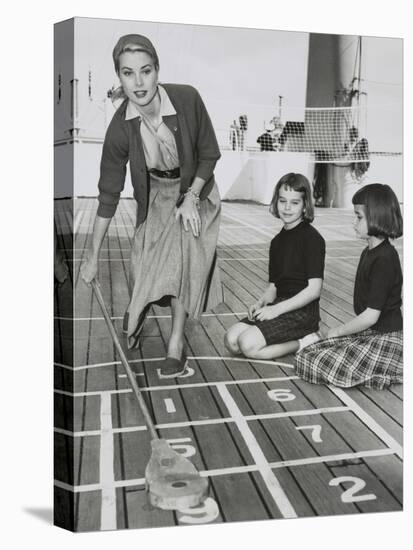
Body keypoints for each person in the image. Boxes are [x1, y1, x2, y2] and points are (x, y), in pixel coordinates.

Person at [80, 34, 222, 378]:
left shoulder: (187, 98)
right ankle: (139, 304)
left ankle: (176, 343)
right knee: (144, 263)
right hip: (156, 194)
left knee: (182, 257)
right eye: (128, 73)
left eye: (145, 71)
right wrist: (92, 255)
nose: (139, 82)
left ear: (157, 70)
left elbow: (209, 153)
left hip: (197, 192)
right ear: (120, 77)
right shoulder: (120, 128)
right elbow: (108, 194)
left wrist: (190, 198)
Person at [295, 183, 403, 389]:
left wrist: (338, 331)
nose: (354, 223)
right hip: (370, 334)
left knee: (314, 363)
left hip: (386, 338)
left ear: (377, 216)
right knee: (307, 354)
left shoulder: (386, 258)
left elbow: (371, 315)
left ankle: (391, 369)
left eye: (359, 217)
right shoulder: (368, 252)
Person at [224, 173, 325, 359]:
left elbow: (314, 290)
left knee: (248, 345)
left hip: (302, 313)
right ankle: (284, 335)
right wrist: (261, 303)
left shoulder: (312, 239)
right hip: (280, 305)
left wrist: (274, 311)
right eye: (282, 201)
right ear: (275, 202)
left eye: (295, 203)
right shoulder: (277, 242)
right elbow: (274, 286)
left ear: (305, 206)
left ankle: (305, 341)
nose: (287, 208)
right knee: (231, 340)